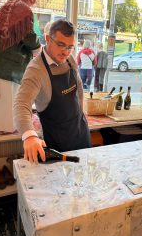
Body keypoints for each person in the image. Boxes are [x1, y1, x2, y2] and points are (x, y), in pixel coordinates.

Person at [13, 19, 91, 163]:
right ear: (48, 39)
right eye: (61, 45)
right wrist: (29, 136)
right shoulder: (36, 70)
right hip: (58, 144)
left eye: (70, 47)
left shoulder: (69, 59)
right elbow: (21, 103)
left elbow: (79, 88)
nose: (66, 52)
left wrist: (82, 113)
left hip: (81, 134)